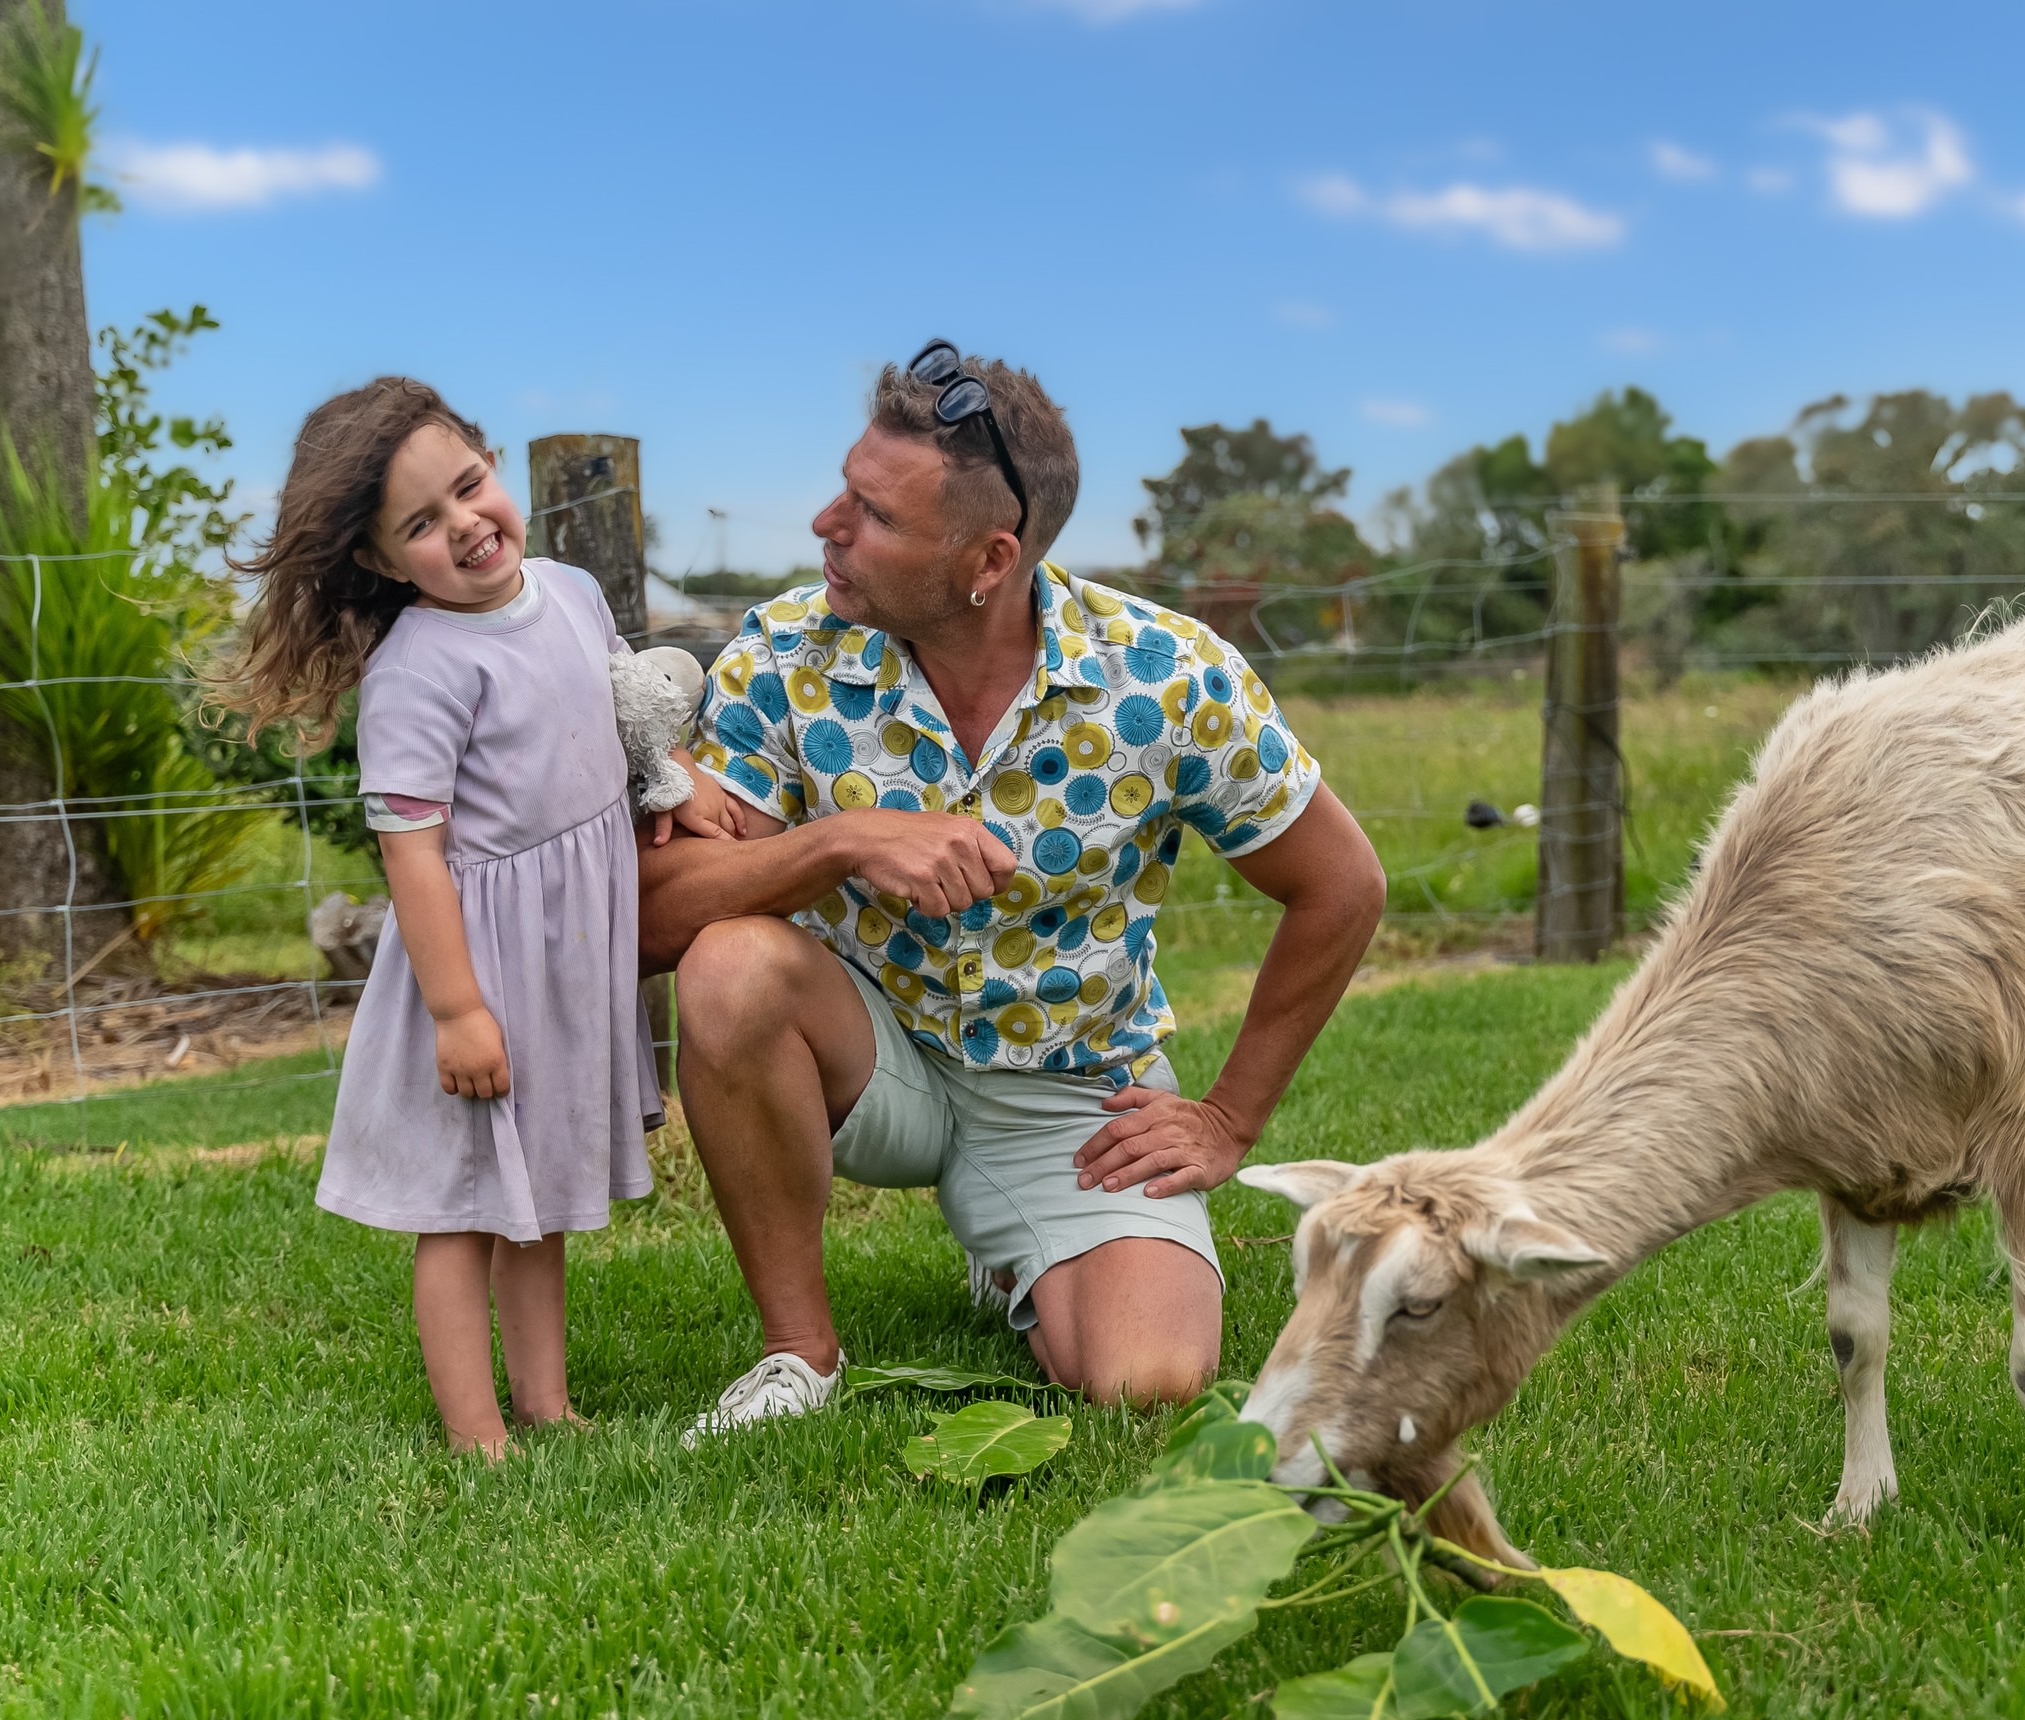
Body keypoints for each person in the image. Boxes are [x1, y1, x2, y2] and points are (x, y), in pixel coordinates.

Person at [645, 341, 1386, 1439]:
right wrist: (842, 841)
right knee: (731, 963)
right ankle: (798, 1352)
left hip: (1070, 1090)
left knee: (1147, 1381)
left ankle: (1018, 1256)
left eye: (873, 514)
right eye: (846, 490)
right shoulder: (784, 652)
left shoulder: (1165, 677)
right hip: (865, 1054)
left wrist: (1229, 1117)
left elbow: (1343, 886)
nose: (825, 524)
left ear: (988, 559)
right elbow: (657, 917)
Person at [208, 377, 736, 1456]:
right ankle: (476, 1431)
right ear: (379, 560)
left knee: (536, 1195)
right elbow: (411, 853)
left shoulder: (572, 591)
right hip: (480, 968)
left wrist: (673, 781)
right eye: (420, 523)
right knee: (460, 1209)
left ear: (491, 462)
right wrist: (456, 1011)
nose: (463, 524)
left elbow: (621, 710)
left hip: (565, 957)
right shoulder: (418, 670)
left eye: (467, 485)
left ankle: (547, 1402)